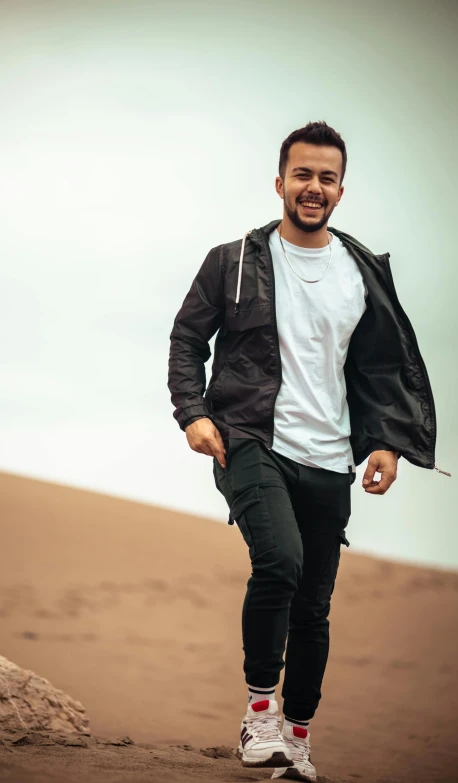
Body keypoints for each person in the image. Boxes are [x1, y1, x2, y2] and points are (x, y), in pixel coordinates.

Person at [167, 121, 449, 783]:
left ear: (341, 190)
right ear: (280, 183)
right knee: (280, 561)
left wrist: (386, 441)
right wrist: (194, 414)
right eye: (302, 174)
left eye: (326, 177)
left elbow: (381, 367)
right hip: (251, 438)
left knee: (314, 605)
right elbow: (187, 339)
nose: (313, 187)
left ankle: (296, 738)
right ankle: (259, 714)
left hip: (331, 458)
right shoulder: (232, 260)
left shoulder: (361, 271)